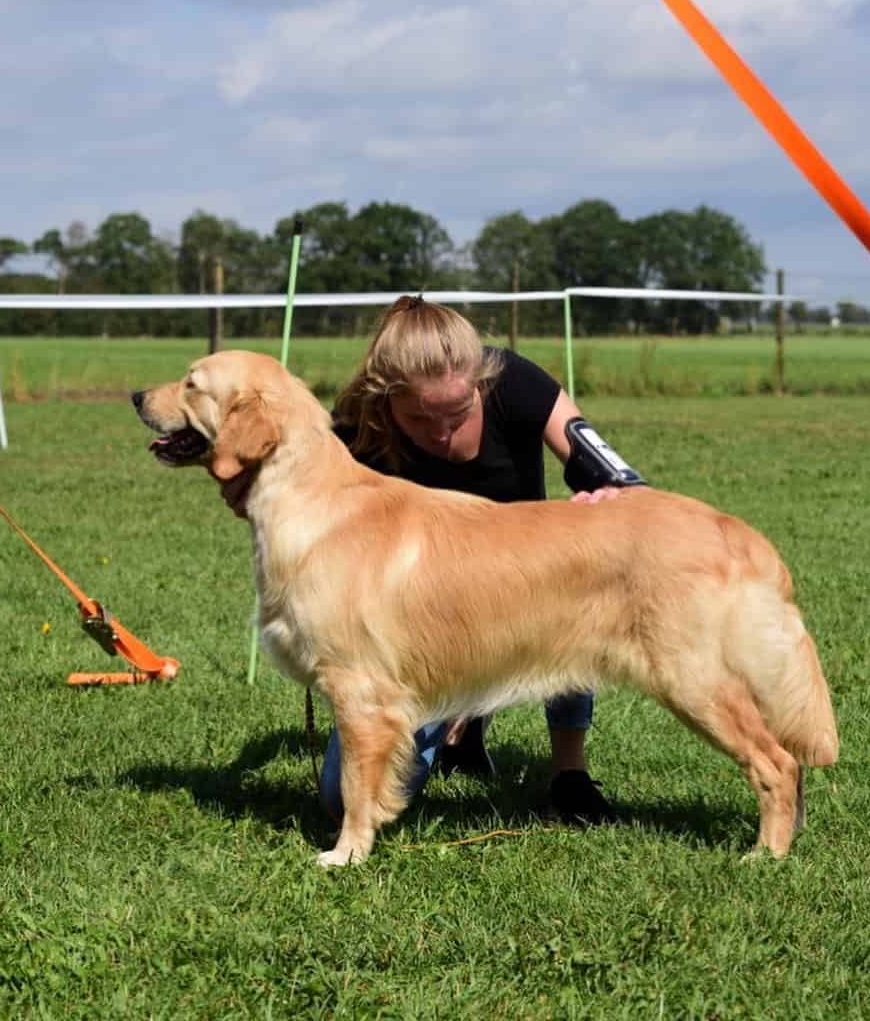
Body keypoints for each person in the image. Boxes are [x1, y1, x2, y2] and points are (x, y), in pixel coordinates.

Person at [219, 295, 640, 826]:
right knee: (335, 798)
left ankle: (569, 775)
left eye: (457, 413)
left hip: (527, 580)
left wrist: (613, 490)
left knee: (579, 572)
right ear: (386, 399)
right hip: (428, 615)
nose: (441, 433)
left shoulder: (517, 381)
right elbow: (311, 510)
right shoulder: (356, 426)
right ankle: (456, 719)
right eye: (419, 417)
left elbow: (613, 471)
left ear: (480, 381)